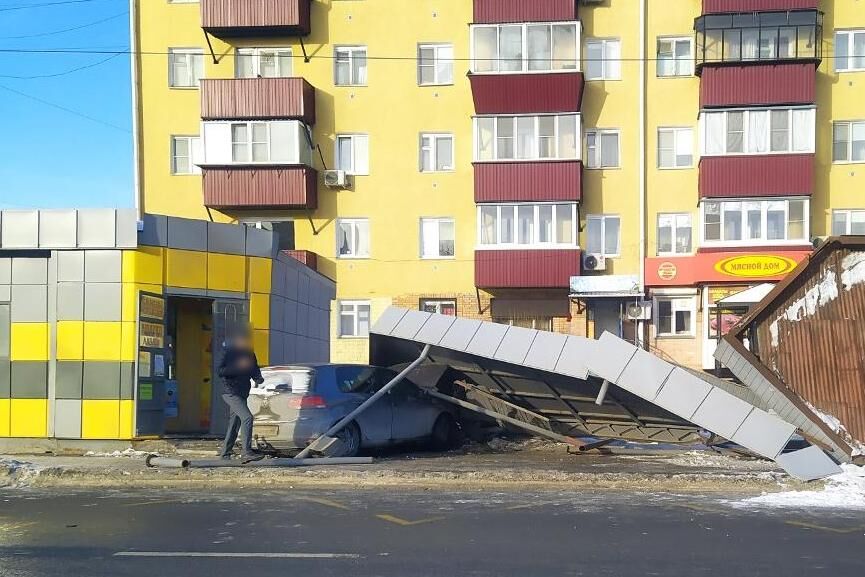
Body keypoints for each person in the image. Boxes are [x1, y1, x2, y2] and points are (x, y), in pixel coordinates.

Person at [217, 330, 265, 463]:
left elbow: (254, 369)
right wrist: (238, 367)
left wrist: (259, 378)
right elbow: (220, 371)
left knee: (234, 423)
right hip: (229, 391)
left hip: (242, 392)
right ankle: (246, 452)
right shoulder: (228, 352)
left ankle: (225, 454)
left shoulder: (250, 354)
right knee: (247, 417)